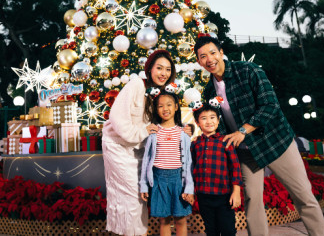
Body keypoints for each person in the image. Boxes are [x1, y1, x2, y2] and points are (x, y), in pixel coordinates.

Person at [194, 36, 324, 236]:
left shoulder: (248, 70)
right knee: (252, 201)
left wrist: (243, 130)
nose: (209, 59)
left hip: (275, 142)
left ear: (221, 53)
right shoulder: (209, 91)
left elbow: (270, 105)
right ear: (199, 62)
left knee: (303, 196)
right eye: (203, 56)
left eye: (213, 53)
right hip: (245, 151)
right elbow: (216, 125)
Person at [102, 49, 176, 236]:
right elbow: (117, 118)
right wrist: (142, 132)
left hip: (139, 150)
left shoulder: (161, 93)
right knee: (132, 197)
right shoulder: (136, 84)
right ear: (150, 68)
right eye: (159, 68)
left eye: (167, 69)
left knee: (138, 197)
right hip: (117, 146)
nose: (163, 73)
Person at [139, 88, 194, 236]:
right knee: (164, 220)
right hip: (159, 179)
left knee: (181, 219)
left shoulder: (183, 132)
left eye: (169, 105)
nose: (165, 109)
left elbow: (188, 163)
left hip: (178, 179)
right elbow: (146, 160)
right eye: (160, 105)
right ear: (156, 109)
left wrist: (189, 187)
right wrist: (144, 185)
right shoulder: (153, 132)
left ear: (176, 107)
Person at [190, 101, 242, 236]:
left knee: (228, 230)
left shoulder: (225, 141)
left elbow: (235, 166)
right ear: (197, 123)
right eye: (204, 118)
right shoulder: (195, 143)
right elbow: (192, 166)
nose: (209, 121)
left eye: (212, 117)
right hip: (203, 195)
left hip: (223, 195)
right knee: (210, 230)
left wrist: (236, 191)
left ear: (218, 121)